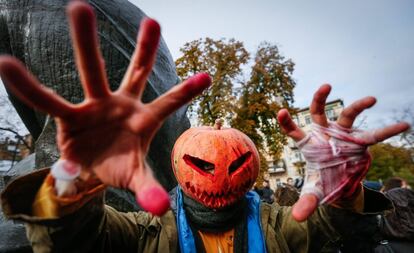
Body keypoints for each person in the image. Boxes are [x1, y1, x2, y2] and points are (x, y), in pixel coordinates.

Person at [0, 2, 410, 253]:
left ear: (251, 168)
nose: (217, 171)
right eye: (203, 162)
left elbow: (334, 230)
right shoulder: (142, 233)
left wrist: (344, 190)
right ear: (179, 162)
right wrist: (75, 174)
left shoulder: (281, 228)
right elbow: (71, 242)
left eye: (233, 163)